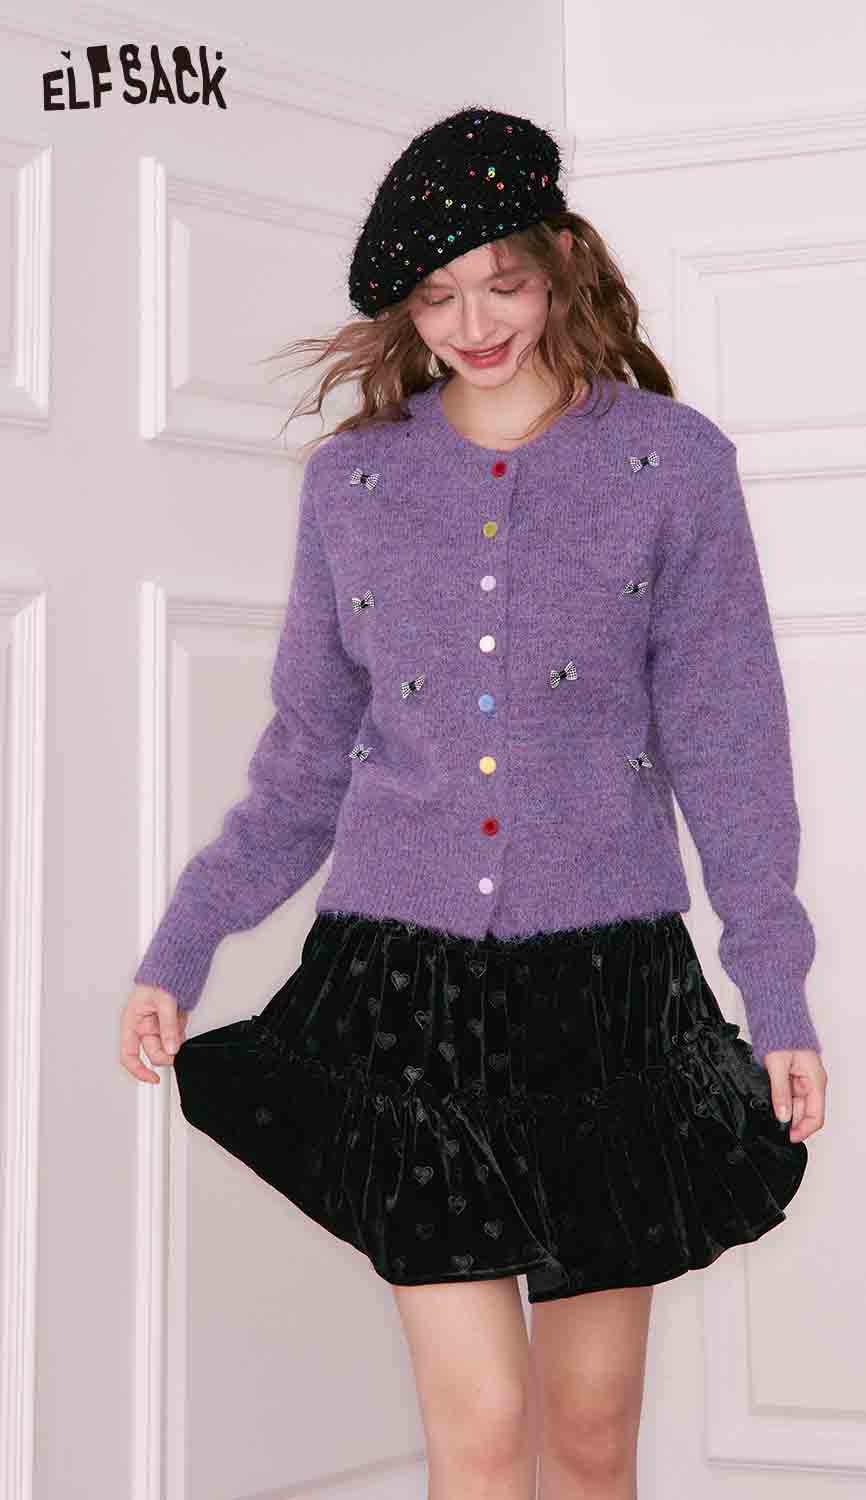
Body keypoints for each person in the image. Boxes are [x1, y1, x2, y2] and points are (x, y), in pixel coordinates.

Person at [120, 105, 827, 1498]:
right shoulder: (356, 483)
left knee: (588, 1435)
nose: (474, 324)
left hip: (609, 997)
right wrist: (182, 943)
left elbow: (731, 745)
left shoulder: (671, 464)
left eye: (502, 282)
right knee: (483, 1430)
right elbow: (306, 758)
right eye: (438, 298)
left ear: (562, 261)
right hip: (407, 1001)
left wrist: (778, 990)